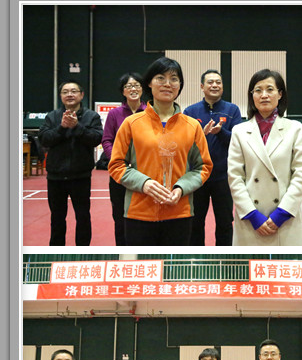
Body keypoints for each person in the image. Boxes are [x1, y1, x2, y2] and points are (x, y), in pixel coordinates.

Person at [108, 56, 213, 245]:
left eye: (174, 79)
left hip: (180, 213)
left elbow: (203, 167)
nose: (167, 84)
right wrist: (144, 183)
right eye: (160, 78)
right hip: (139, 214)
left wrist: (181, 188)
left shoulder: (192, 126)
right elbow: (116, 165)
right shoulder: (131, 124)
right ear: (149, 83)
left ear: (180, 85)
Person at [227, 69, 302, 246]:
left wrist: (281, 214)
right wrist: (252, 215)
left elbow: (300, 175)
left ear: (280, 94)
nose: (264, 95)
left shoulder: (294, 129)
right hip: (250, 220)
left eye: (270, 89)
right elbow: (235, 177)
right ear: (252, 96)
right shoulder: (239, 131)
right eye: (258, 90)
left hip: (286, 219)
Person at [38, 81, 103, 246]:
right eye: (65, 92)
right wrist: (61, 127)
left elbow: (96, 139)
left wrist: (77, 127)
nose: (69, 94)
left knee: (83, 217)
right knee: (57, 218)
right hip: (56, 177)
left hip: (80, 177)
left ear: (81, 95)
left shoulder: (91, 117)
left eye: (73, 91)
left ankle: (83, 249)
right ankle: (56, 250)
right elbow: (44, 139)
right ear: (61, 96)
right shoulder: (52, 116)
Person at [183, 69, 243, 246]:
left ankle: (225, 257)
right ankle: (195, 258)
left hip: (224, 176)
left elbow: (238, 140)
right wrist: (200, 135)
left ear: (222, 87)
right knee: (195, 223)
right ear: (202, 86)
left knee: (225, 222)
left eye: (218, 82)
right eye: (210, 82)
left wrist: (220, 132)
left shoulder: (232, 110)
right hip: (197, 177)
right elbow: (184, 143)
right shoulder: (190, 111)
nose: (214, 85)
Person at [101, 72, 147, 245]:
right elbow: (107, 140)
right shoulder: (115, 114)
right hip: (120, 173)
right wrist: (116, 160)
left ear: (142, 89)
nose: (133, 89)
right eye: (129, 86)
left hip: (144, 172)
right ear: (123, 91)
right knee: (119, 217)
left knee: (143, 215)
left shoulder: (150, 112)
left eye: (136, 85)